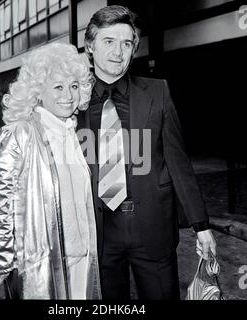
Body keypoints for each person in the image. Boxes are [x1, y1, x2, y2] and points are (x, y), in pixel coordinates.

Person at [77, 5, 217, 300]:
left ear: (134, 49)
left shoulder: (158, 92)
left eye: (126, 43)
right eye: (108, 41)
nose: (118, 52)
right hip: (96, 232)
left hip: (152, 226)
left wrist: (201, 226)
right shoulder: (73, 100)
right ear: (90, 46)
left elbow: (179, 164)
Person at [0, 43, 101, 299]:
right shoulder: (19, 133)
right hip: (42, 264)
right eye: (58, 87)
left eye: (74, 86)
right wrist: (1, 262)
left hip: (83, 257)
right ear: (38, 92)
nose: (68, 95)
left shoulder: (74, 133)